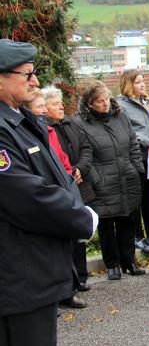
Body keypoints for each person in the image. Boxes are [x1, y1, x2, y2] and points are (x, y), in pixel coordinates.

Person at [0, 39, 96, 346]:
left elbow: (57, 177)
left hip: (33, 273)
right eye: (26, 75)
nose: (35, 81)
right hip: (18, 277)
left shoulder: (20, 120)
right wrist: (82, 218)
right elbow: (26, 195)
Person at [75, 80, 146, 280]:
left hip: (126, 175)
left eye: (106, 99)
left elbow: (133, 143)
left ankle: (129, 261)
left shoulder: (120, 116)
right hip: (102, 180)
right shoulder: (81, 123)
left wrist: (136, 169)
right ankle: (112, 264)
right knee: (106, 224)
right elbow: (85, 153)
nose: (105, 103)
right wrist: (96, 179)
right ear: (90, 103)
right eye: (99, 101)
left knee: (127, 220)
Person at [26, 90, 88, 310]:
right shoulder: (26, 132)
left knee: (67, 244)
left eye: (45, 106)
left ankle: (68, 290)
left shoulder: (49, 130)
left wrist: (69, 173)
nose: (44, 110)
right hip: (46, 192)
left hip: (64, 185)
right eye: (40, 106)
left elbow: (60, 156)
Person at [43, 86, 95, 295]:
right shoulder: (44, 129)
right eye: (55, 104)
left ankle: (81, 276)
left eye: (61, 102)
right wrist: (71, 172)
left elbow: (86, 147)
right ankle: (68, 282)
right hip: (63, 183)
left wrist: (80, 169)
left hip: (80, 182)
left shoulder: (71, 123)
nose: (61, 106)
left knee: (79, 230)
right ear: (44, 108)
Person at [117, 71, 149, 253]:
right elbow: (126, 129)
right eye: (138, 82)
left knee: (148, 198)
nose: (142, 85)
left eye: (143, 81)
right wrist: (145, 140)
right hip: (138, 156)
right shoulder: (121, 105)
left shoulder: (147, 101)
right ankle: (138, 236)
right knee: (137, 198)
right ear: (128, 84)